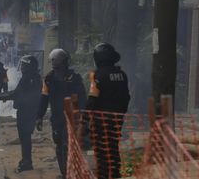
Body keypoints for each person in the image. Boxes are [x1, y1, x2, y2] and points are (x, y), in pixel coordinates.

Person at [37, 48, 86, 179]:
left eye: (56, 60)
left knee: (68, 144)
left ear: (63, 61)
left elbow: (81, 97)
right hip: (57, 117)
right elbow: (44, 98)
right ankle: (64, 172)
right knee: (59, 143)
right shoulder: (49, 78)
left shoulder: (74, 77)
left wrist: (82, 115)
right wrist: (39, 116)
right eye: (52, 60)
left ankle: (70, 172)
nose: (53, 62)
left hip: (71, 117)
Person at [84, 43, 130, 179]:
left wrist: (84, 120)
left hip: (101, 121)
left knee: (101, 151)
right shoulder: (122, 74)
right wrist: (121, 114)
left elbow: (92, 99)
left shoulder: (97, 75)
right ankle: (115, 175)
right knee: (113, 148)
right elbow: (126, 97)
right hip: (117, 120)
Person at [0, 55, 42, 173]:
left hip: (27, 112)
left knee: (25, 137)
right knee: (24, 137)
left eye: (24, 65)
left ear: (29, 66)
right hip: (27, 111)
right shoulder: (32, 77)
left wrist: (0, 96)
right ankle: (26, 160)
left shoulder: (29, 78)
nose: (21, 67)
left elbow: (17, 93)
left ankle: (27, 161)